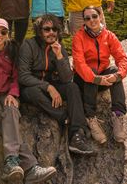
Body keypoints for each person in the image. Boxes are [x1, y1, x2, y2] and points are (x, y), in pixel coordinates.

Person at [0, 18, 57, 184]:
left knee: (11, 110)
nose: (0, 35)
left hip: (6, 94)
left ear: (8, 34)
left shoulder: (11, 50)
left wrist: (13, 93)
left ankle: (12, 163)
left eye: (3, 32)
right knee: (3, 118)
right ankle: (30, 167)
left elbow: (15, 76)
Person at [17, 14, 94, 155]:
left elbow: (67, 79)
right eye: (46, 29)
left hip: (52, 85)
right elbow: (23, 76)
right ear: (39, 31)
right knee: (34, 92)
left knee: (72, 88)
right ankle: (64, 117)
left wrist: (59, 56)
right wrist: (48, 87)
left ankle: (77, 135)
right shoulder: (29, 45)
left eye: (54, 29)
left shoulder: (58, 47)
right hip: (31, 88)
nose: (51, 32)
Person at [72, 6, 127, 144]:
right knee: (91, 70)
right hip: (83, 79)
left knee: (115, 70)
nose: (92, 20)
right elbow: (79, 63)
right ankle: (90, 117)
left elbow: (122, 58)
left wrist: (118, 75)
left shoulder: (109, 36)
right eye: (87, 18)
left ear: (100, 17)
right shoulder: (79, 37)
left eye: (94, 16)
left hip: (102, 76)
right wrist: (96, 79)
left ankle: (118, 115)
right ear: (84, 22)